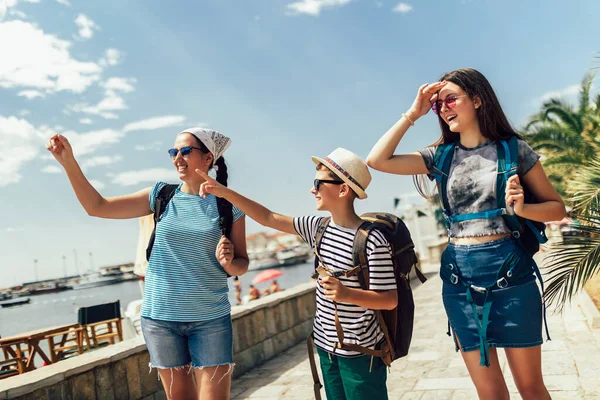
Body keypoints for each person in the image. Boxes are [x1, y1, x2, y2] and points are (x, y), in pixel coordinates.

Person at [366, 68, 566, 400]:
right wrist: (412, 114)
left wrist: (522, 208)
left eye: (450, 99)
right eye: (437, 105)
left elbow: (556, 208)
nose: (443, 109)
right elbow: (377, 160)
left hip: (511, 276)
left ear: (477, 100)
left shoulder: (513, 151)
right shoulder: (440, 157)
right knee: (489, 393)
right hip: (459, 282)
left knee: (530, 388)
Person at [47, 127, 249, 400]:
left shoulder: (229, 205)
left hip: (210, 319)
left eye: (186, 151)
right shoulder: (161, 196)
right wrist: (68, 163)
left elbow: (241, 265)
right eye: (173, 151)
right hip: (161, 320)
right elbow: (98, 206)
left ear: (208, 158)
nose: (178, 157)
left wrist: (228, 262)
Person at [196, 148, 397, 399]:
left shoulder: (372, 239)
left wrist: (347, 293)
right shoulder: (317, 227)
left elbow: (389, 299)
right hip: (325, 345)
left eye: (318, 183)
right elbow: (269, 217)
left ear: (343, 190)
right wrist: (225, 193)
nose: (313, 189)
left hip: (361, 352)